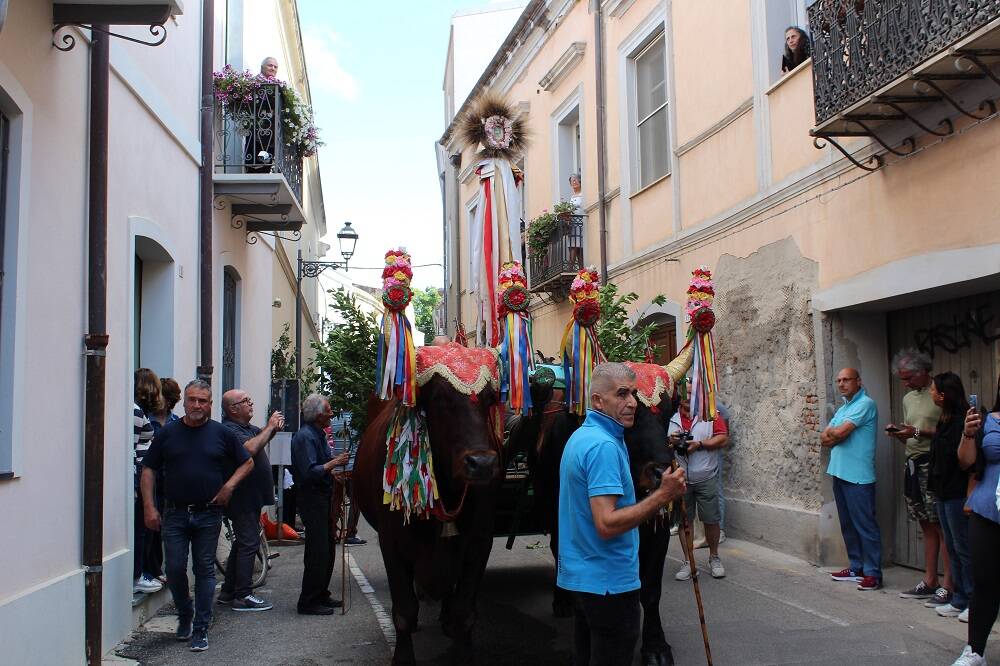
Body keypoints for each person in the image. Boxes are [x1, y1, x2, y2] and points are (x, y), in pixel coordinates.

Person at [557, 362, 686, 665]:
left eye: (633, 395)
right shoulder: (603, 447)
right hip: (608, 585)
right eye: (621, 394)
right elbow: (606, 523)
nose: (631, 403)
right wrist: (662, 496)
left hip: (583, 580)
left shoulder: (582, 438)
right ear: (598, 401)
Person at [141, 380, 254, 652]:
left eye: (202, 401)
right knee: (175, 569)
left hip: (209, 513)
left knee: (204, 570)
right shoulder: (168, 434)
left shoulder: (221, 433)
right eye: (192, 399)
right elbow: (148, 470)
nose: (196, 405)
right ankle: (185, 614)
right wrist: (148, 506)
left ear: (210, 405)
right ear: (184, 402)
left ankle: (201, 628)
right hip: (175, 514)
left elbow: (247, 462)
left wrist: (228, 486)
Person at [888, 349, 952, 606]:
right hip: (912, 463)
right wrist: (904, 434)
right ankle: (929, 580)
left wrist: (917, 432)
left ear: (923, 371)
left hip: (933, 464)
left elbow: (947, 431)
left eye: (908, 378)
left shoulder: (940, 393)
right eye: (902, 379)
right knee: (925, 524)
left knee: (941, 525)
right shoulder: (908, 398)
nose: (905, 384)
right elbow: (914, 432)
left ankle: (949, 584)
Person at [218, 389, 285, 611]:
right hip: (241, 497)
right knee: (249, 543)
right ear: (233, 409)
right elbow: (249, 449)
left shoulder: (246, 428)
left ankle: (229, 591)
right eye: (245, 401)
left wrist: (273, 427)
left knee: (242, 542)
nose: (250, 403)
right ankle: (243, 595)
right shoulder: (229, 430)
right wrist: (269, 427)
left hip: (251, 496)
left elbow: (261, 437)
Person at [950, 376, 1000, 666]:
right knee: (984, 583)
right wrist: (968, 434)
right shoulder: (987, 421)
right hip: (987, 511)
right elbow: (966, 462)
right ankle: (974, 652)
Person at [820, 368, 883, 591]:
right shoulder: (844, 408)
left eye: (846, 380)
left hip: (859, 476)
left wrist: (835, 433)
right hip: (840, 472)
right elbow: (825, 437)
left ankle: (873, 573)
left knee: (865, 526)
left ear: (858, 381)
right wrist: (834, 433)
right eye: (838, 381)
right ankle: (856, 567)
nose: (841, 384)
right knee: (848, 525)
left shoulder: (865, 404)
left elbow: (838, 434)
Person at [290, 394, 350, 615]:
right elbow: (308, 472)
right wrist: (335, 463)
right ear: (318, 415)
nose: (332, 414)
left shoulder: (318, 434)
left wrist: (333, 474)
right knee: (317, 551)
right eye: (329, 410)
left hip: (323, 496)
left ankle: (321, 593)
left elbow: (321, 467)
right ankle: (308, 600)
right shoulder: (305, 437)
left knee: (327, 548)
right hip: (312, 499)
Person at [927, 372, 973, 620]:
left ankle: (973, 602)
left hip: (957, 494)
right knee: (953, 547)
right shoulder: (944, 419)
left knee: (964, 548)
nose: (931, 393)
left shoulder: (962, 421)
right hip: (943, 493)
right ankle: (959, 599)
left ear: (943, 395)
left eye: (933, 390)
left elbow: (963, 461)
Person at [669, 395, 729, 579]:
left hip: (706, 475)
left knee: (711, 519)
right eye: (684, 395)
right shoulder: (672, 419)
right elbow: (664, 444)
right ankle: (688, 562)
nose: (687, 398)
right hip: (682, 478)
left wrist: (700, 444)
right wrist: (672, 441)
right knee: (684, 522)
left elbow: (722, 438)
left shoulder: (711, 414)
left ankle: (714, 557)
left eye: (691, 394)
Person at [145, 376, 181, 581]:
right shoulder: (148, 420)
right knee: (152, 526)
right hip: (153, 479)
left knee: (165, 527)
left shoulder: (176, 422)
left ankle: (160, 568)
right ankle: (153, 569)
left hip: (170, 481)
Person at [133, 368, 163, 595]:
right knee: (142, 529)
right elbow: (131, 448)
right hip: (139, 478)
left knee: (146, 529)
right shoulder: (134, 412)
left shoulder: (137, 411)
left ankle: (144, 571)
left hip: (143, 477)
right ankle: (138, 574)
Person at [328, 414, 365, 546]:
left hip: (337, 466)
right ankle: (350, 533)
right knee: (355, 502)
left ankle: (331, 532)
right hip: (353, 466)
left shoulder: (334, 419)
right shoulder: (356, 418)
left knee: (336, 502)